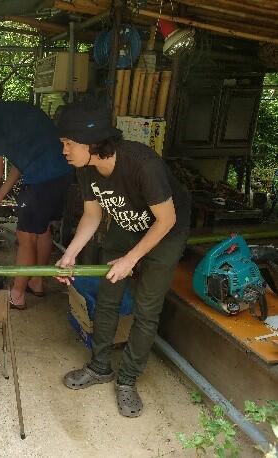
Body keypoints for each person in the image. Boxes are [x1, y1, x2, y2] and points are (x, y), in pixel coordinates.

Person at [55, 98, 190, 417]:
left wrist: (132, 259)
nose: (64, 150)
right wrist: (70, 254)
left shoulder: (143, 164)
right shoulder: (86, 168)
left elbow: (166, 220)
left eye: (68, 143)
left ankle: (128, 380)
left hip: (166, 230)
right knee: (108, 298)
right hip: (127, 224)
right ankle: (99, 367)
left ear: (91, 141)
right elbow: (92, 214)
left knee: (147, 309)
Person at [0, 86, 72, 309]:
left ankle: (16, 295)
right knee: (42, 230)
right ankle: (36, 281)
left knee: (25, 236)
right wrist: (1, 193)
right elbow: (21, 159)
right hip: (62, 173)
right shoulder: (12, 110)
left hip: (41, 177)